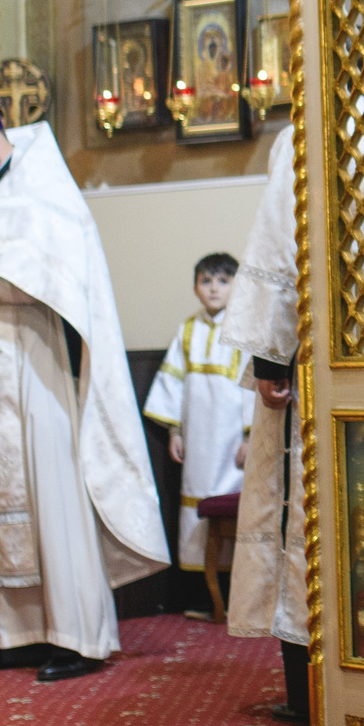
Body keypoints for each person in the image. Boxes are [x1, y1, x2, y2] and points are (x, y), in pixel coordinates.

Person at [0, 89, 167, 682]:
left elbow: (61, 278)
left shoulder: (44, 190)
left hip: (32, 376)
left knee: (47, 499)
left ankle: (74, 636)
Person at [221, 124, 315, 726]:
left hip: (310, 361)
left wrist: (272, 358)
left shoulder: (308, 128)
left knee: (300, 513)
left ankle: (312, 692)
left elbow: (282, 243)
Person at [142, 252, 252, 608]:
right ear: (195, 288)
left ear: (237, 286)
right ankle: (201, 595)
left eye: (223, 281)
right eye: (206, 281)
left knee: (235, 509)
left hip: (233, 441)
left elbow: (253, 386)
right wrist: (175, 431)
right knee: (195, 504)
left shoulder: (244, 330)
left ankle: (236, 594)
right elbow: (172, 384)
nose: (214, 289)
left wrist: (252, 435)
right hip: (199, 442)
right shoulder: (187, 331)